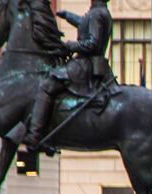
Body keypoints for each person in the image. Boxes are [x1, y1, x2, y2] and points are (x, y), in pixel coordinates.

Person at [25, 0, 114, 152]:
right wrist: (67, 16)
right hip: (86, 63)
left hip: (85, 65)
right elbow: (85, 24)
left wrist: (70, 45)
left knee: (47, 84)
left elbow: (93, 43)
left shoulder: (97, 13)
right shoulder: (98, 12)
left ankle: (35, 135)